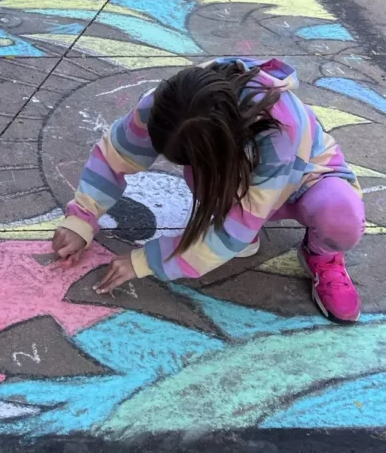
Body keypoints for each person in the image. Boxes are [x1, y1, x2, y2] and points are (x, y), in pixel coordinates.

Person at [52, 58, 365, 323]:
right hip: (248, 184)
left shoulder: (279, 133)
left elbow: (231, 234)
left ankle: (322, 256)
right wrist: (82, 218)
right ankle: (239, 215)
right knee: (224, 202)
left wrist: (145, 260)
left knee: (341, 215)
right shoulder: (168, 104)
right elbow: (114, 155)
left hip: (308, 181)